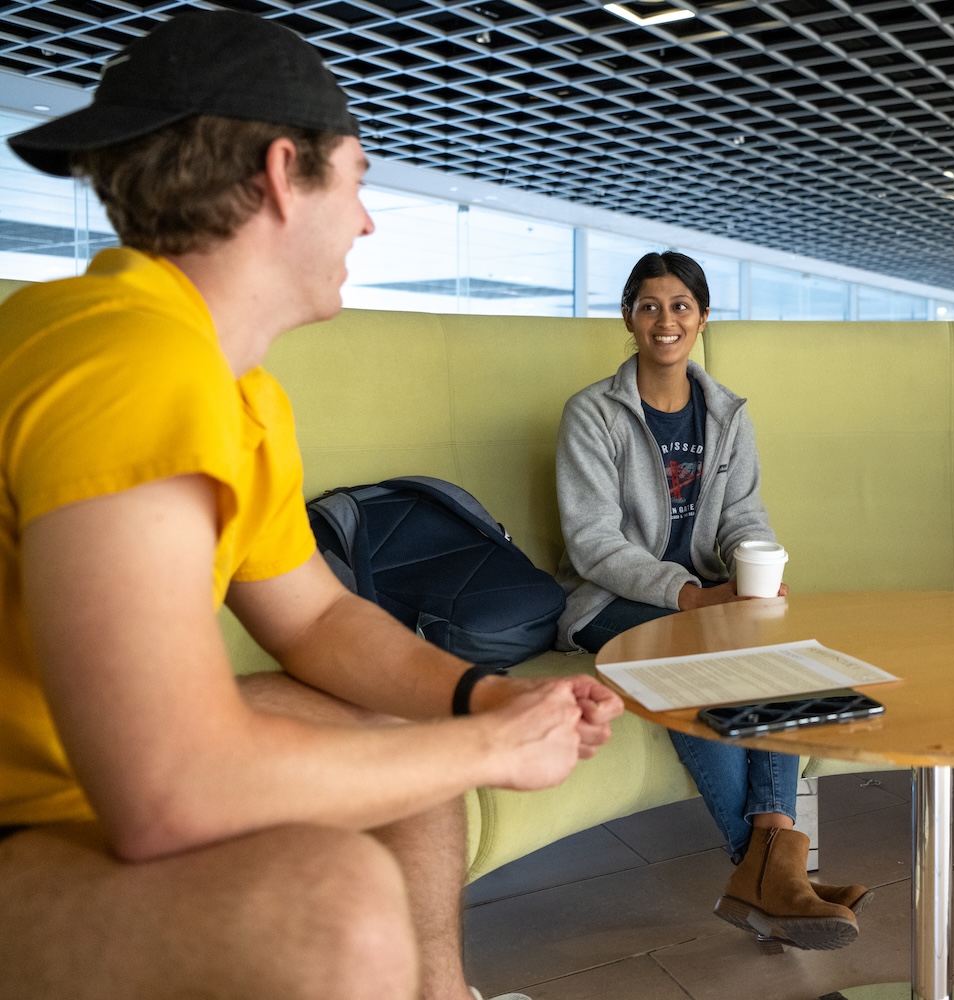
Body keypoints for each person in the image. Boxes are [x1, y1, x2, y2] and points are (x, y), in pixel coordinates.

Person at [0, 12, 622, 1000]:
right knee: (329, 906)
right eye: (361, 181)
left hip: (73, 770)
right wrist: (491, 746)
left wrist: (483, 699)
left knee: (392, 744)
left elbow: (320, 619)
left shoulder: (229, 385)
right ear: (287, 173)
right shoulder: (128, 362)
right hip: (28, 820)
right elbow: (171, 790)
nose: (368, 222)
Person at [553, 251, 867, 952]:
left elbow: (743, 517)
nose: (666, 320)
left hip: (705, 598)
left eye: (680, 306)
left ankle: (771, 868)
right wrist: (693, 597)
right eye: (649, 306)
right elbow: (592, 544)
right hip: (609, 601)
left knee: (778, 651)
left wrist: (755, 572)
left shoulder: (727, 414)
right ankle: (772, 871)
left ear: (701, 318)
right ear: (629, 319)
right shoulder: (592, 414)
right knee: (697, 651)